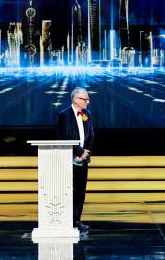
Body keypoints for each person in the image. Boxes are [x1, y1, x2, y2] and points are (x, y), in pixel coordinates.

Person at [57, 87, 95, 232]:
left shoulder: (87, 114)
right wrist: (79, 152)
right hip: (68, 158)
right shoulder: (64, 115)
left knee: (80, 191)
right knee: (68, 191)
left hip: (83, 159)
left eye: (88, 99)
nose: (88, 102)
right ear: (75, 100)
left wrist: (85, 153)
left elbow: (91, 136)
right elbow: (65, 137)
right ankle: (66, 221)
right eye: (85, 99)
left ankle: (76, 220)